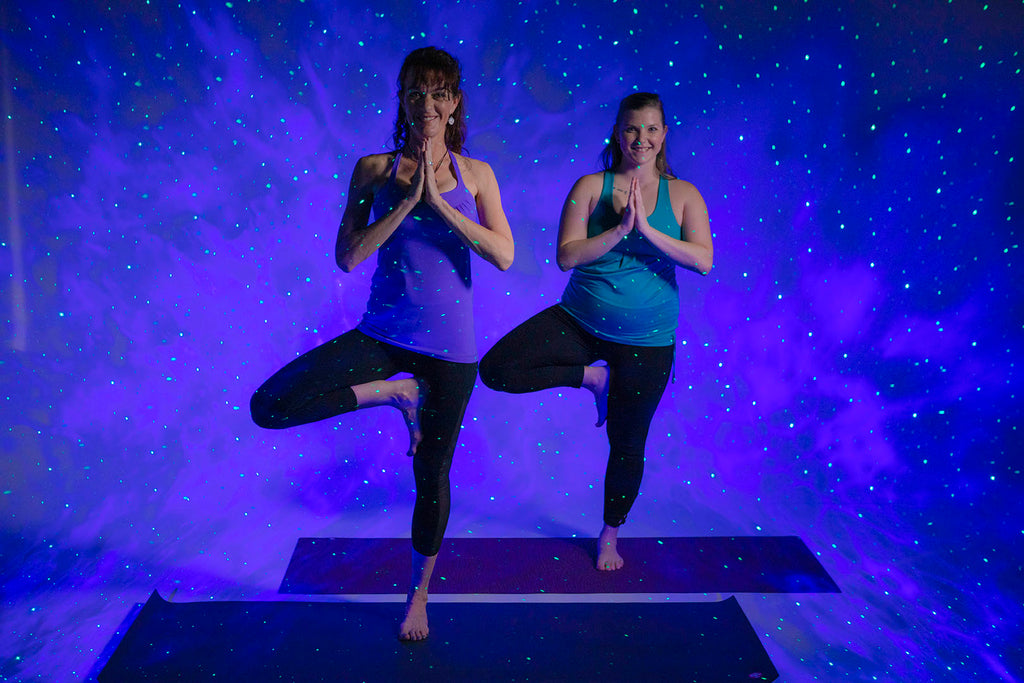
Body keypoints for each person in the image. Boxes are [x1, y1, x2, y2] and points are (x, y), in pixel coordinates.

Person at [250, 47, 513, 640]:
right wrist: (406, 206)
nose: (427, 104)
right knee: (269, 406)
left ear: (455, 104)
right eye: (416, 93)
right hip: (383, 335)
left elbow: (503, 254)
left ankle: (418, 595)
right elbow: (347, 257)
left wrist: (439, 204)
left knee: (432, 478)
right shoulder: (373, 169)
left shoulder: (478, 175)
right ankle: (393, 394)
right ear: (402, 101)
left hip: (452, 352)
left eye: (439, 93)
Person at [479, 92, 712, 572]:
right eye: (631, 129)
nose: (640, 139)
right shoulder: (589, 186)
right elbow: (567, 255)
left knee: (628, 444)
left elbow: (703, 261)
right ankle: (593, 379)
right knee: (497, 368)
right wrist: (621, 227)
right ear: (617, 134)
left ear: (664, 135)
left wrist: (646, 230)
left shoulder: (685, 195)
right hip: (580, 321)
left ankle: (609, 535)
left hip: (648, 341)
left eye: (651, 129)